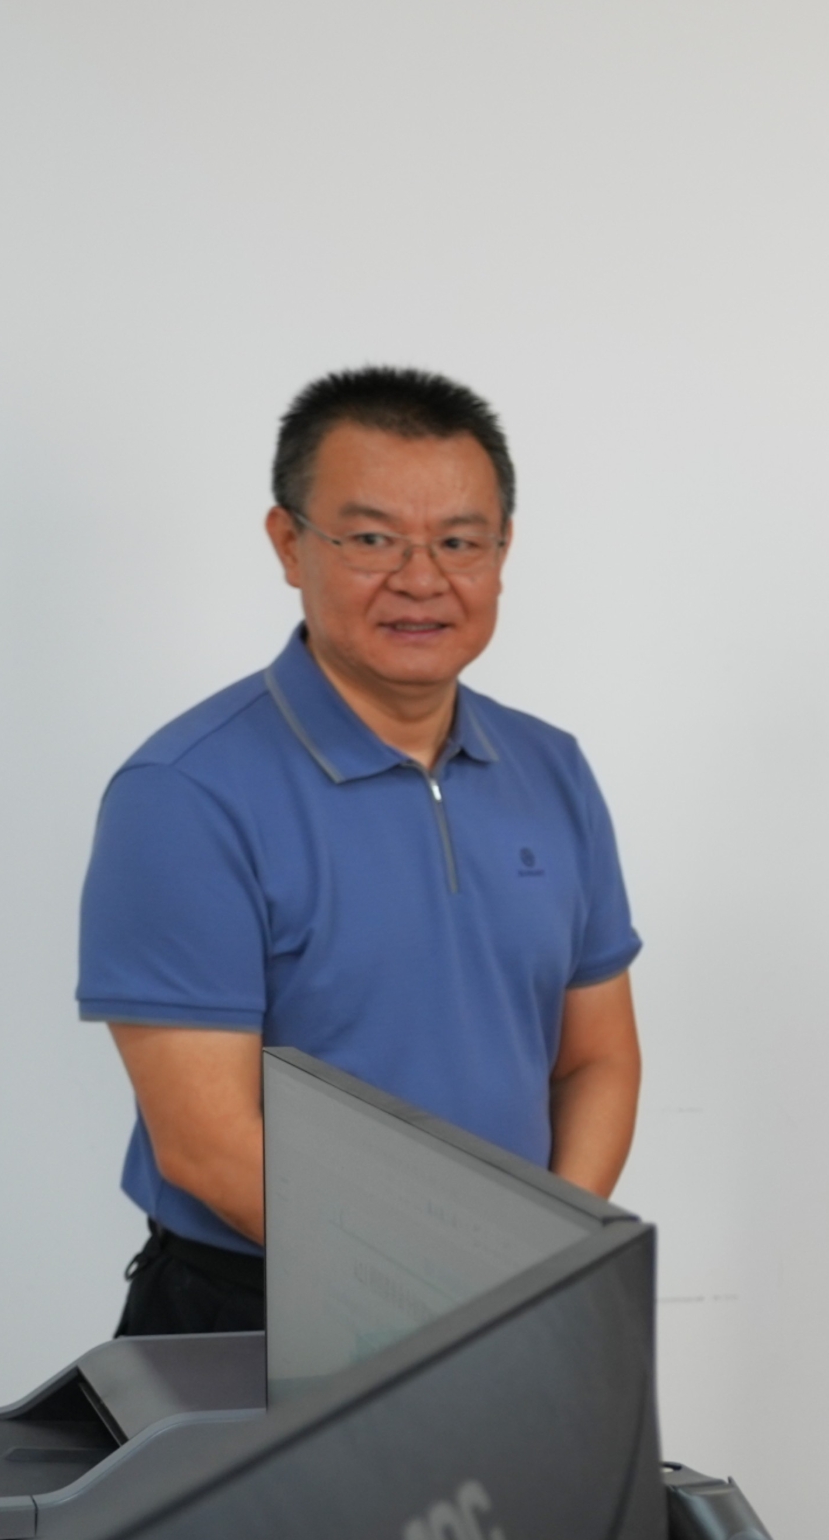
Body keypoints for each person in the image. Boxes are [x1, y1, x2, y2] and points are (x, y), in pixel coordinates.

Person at [77, 366, 642, 1335]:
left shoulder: (552, 769)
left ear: (502, 552)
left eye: (459, 541)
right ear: (288, 543)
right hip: (258, 1312)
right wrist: (443, 1294)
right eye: (373, 539)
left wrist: (546, 1262)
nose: (421, 579)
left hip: (507, 1301)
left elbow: (597, 1061)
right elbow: (207, 1146)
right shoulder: (183, 793)